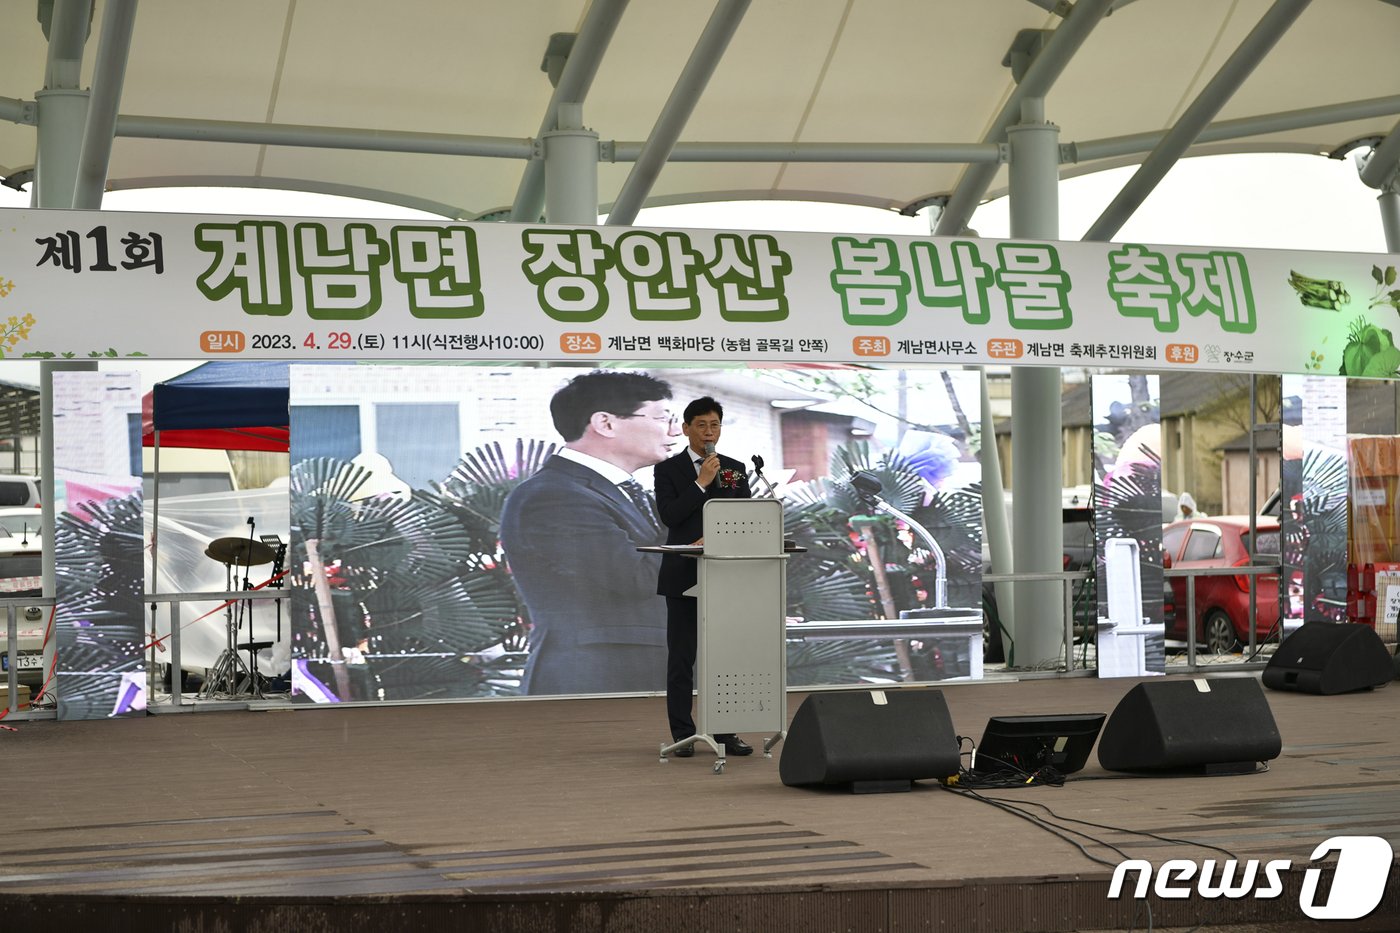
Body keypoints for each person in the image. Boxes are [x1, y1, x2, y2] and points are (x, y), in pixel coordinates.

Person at [499, 371, 679, 695]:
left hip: (640, 676)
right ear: (605, 423)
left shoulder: (621, 491)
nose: (676, 430)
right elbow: (637, 578)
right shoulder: (553, 496)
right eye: (663, 418)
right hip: (596, 682)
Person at [654, 396, 753, 758]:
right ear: (686, 429)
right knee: (683, 657)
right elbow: (670, 516)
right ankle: (683, 734)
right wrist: (700, 483)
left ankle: (726, 733)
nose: (709, 432)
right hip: (683, 573)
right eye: (701, 425)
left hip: (725, 574)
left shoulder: (735, 467)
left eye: (714, 425)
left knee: (726, 657)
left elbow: (746, 518)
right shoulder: (668, 470)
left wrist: (721, 537)